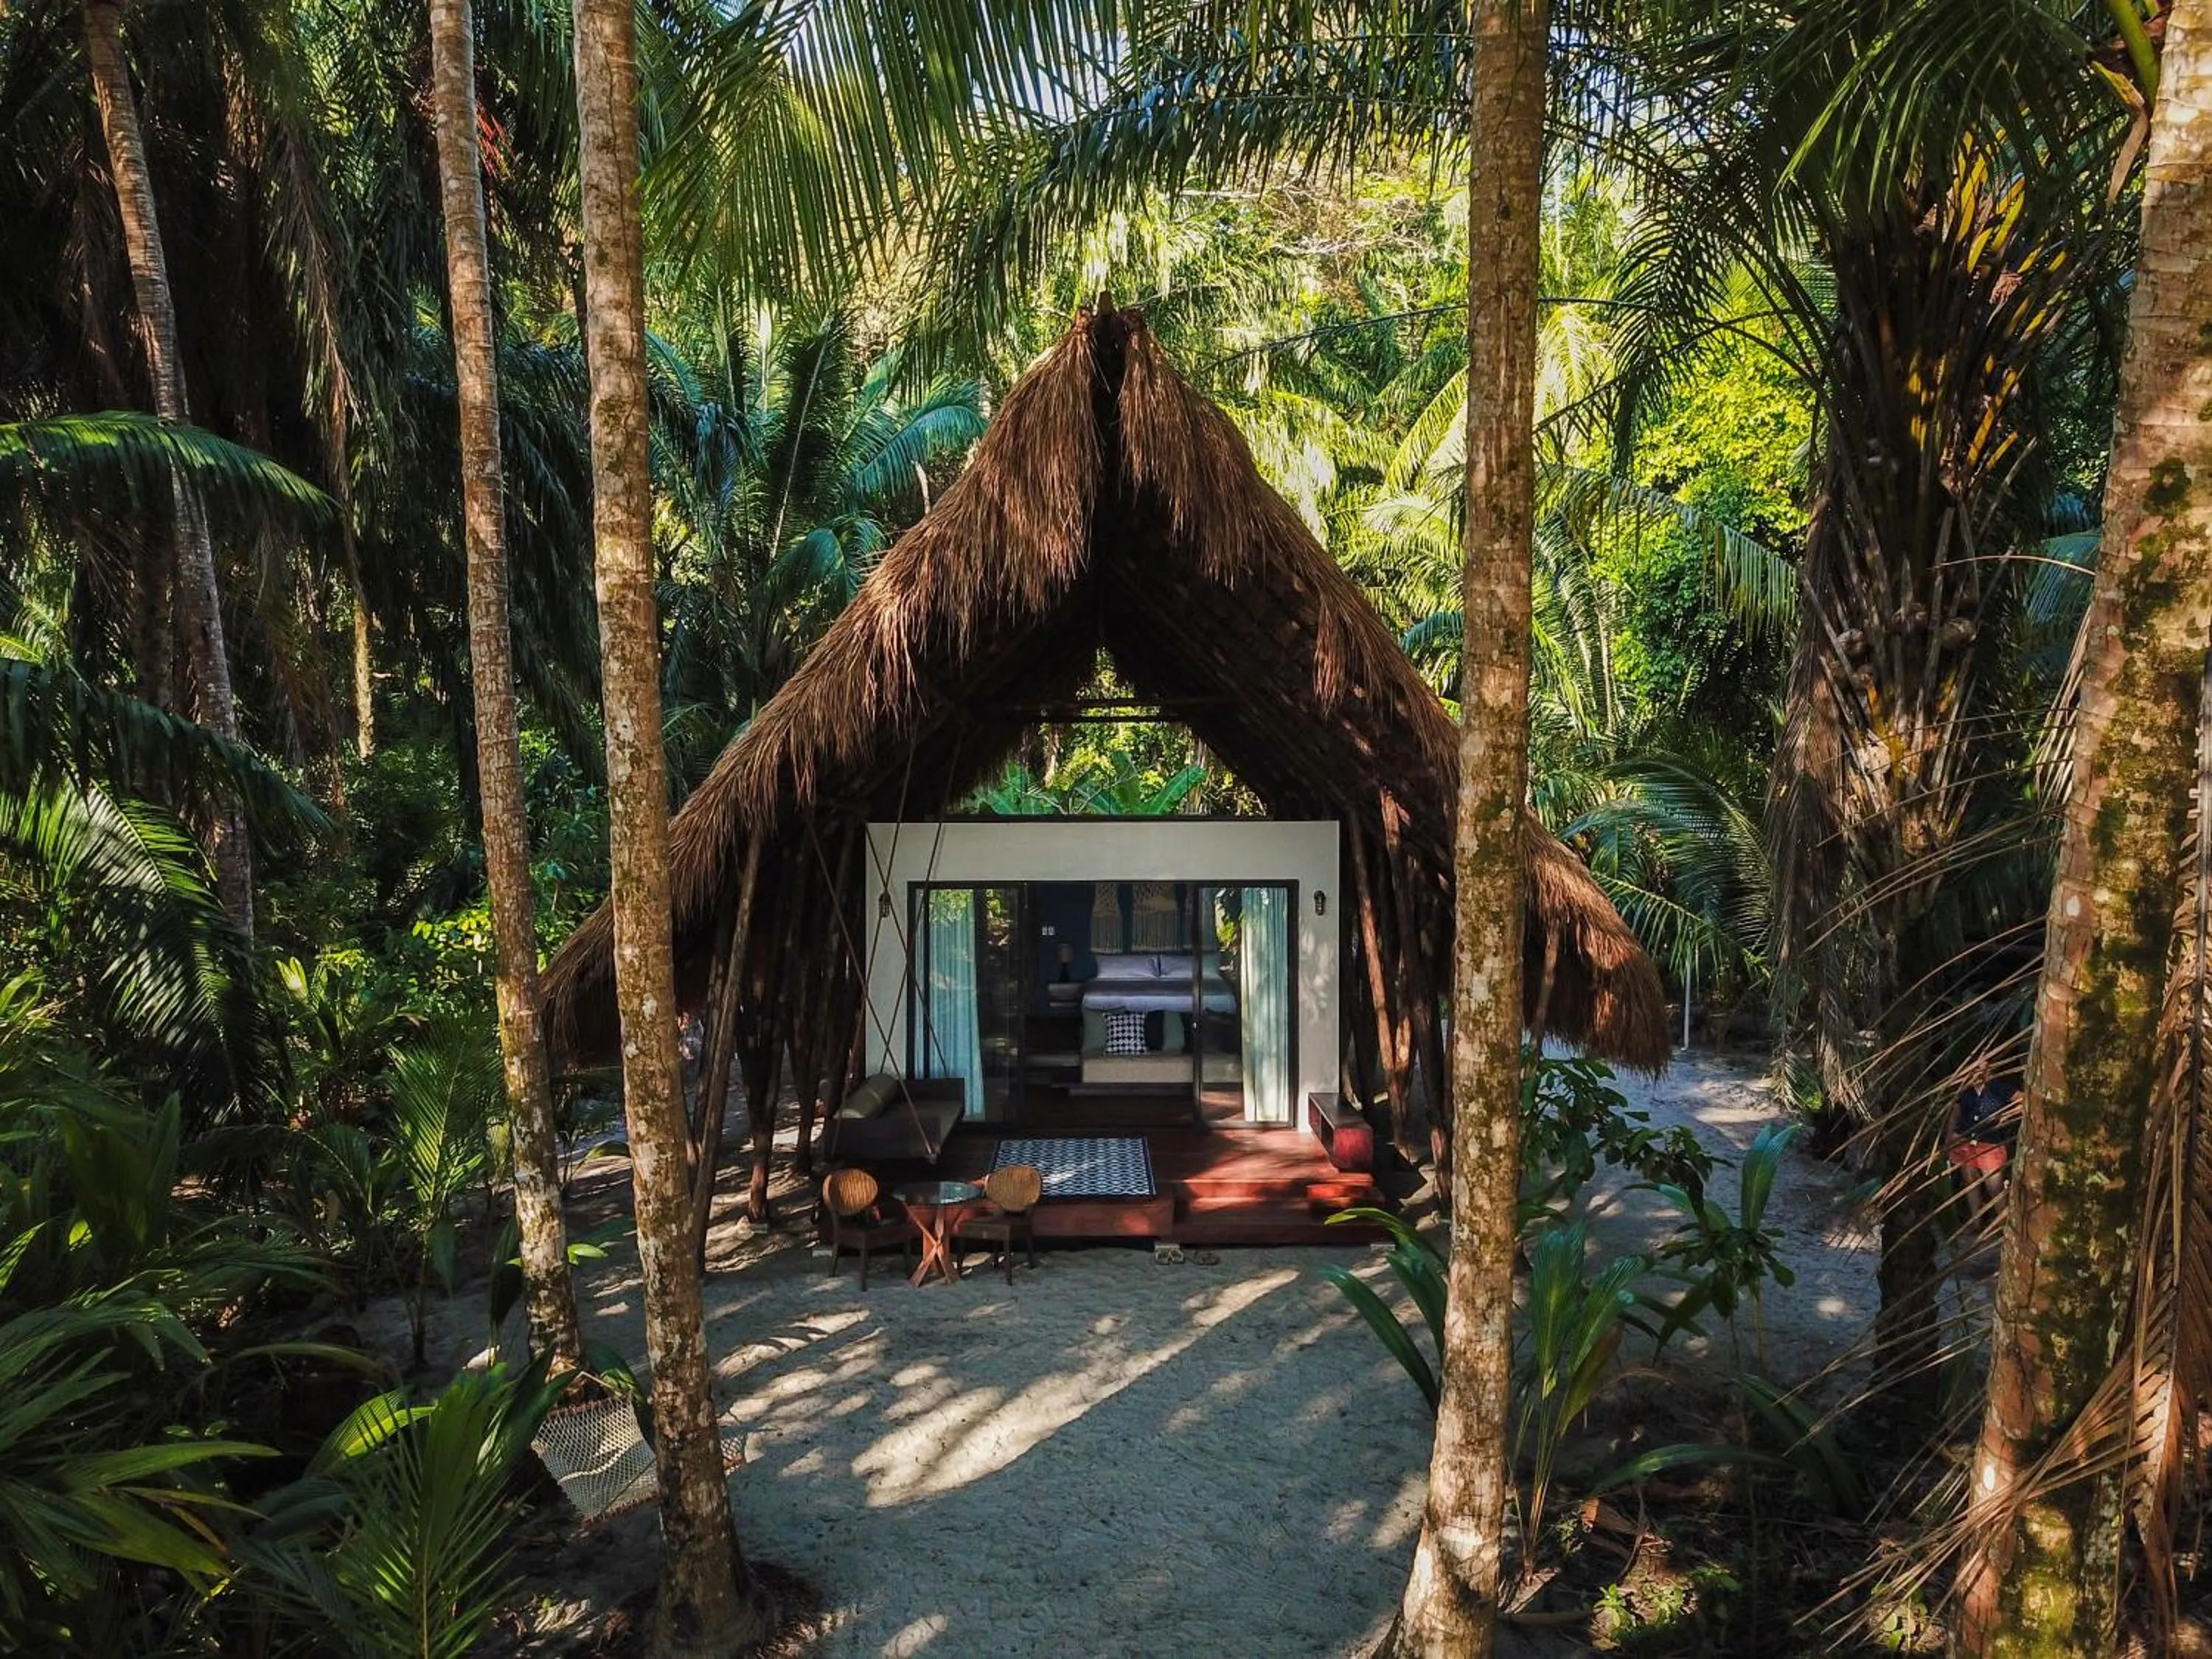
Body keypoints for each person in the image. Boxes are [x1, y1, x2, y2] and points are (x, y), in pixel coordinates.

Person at [1949, 1057, 2020, 1217]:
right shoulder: (1965, 1090)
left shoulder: (1998, 1088)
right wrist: (1949, 1138)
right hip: (1966, 1140)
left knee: (1994, 1187)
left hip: (1990, 1142)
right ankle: (1976, 1222)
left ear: (1990, 1070)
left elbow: (2023, 1100)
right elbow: (1955, 1114)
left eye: (1984, 1069)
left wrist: (2006, 1116)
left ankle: (2003, 1222)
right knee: (1970, 1183)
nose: (1980, 1073)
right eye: (1976, 1069)